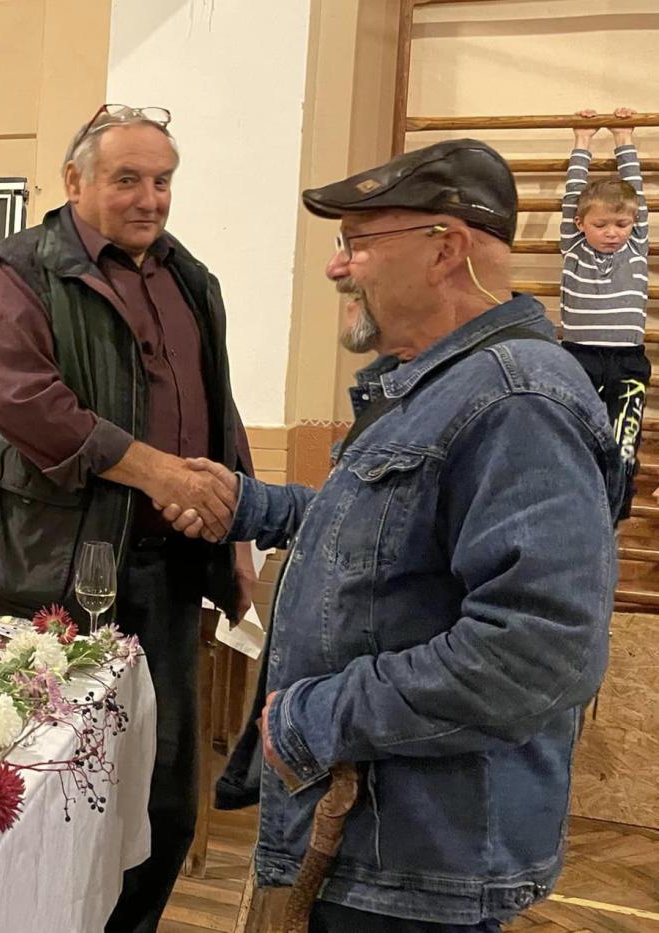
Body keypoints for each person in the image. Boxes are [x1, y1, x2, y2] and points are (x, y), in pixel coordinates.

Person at [171, 140, 619, 931]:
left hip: (413, 867)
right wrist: (251, 504)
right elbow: (394, 540)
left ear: (445, 249)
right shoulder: (446, 385)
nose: (337, 266)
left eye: (357, 242)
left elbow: (537, 650)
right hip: (378, 848)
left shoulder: (517, 401)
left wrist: (315, 716)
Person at [0, 104, 252, 932]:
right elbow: (24, 401)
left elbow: (219, 410)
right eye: (128, 178)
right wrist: (155, 468)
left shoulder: (190, 278)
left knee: (162, 800)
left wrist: (237, 530)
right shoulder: (18, 271)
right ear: (75, 181)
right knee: (44, 792)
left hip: (167, 578)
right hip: (51, 577)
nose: (150, 198)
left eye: (162, 180)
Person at [560, 107, 647, 518]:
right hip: (579, 357)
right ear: (580, 223)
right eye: (602, 225)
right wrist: (582, 141)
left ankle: (613, 511)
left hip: (628, 360)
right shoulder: (573, 246)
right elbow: (573, 196)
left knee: (623, 444)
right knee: (576, 436)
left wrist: (624, 138)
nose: (613, 232)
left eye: (621, 224)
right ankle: (575, 505)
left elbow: (636, 195)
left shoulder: (636, 247)